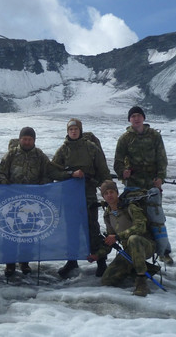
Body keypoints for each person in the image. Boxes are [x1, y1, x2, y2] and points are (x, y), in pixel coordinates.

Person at [49, 118, 111, 278]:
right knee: (71, 229)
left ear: (80, 130)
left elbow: (103, 171)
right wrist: (70, 174)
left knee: (92, 227)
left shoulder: (91, 148)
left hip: (89, 195)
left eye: (76, 129)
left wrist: (99, 185)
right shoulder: (63, 150)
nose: (73, 132)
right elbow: (52, 171)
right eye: (71, 130)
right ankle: (72, 261)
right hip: (70, 196)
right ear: (67, 132)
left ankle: (101, 261)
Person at [114, 106, 173, 265]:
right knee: (136, 218)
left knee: (156, 217)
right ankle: (135, 250)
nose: (136, 118)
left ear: (143, 118)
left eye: (138, 115)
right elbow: (118, 162)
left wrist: (160, 177)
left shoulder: (154, 136)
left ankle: (164, 251)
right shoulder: (125, 139)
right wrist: (122, 172)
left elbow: (162, 159)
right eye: (133, 116)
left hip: (151, 183)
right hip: (133, 185)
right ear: (129, 120)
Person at [0, 126, 51, 277]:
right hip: (12, 201)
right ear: (20, 139)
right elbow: (1, 172)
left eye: (30, 139)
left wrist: (42, 186)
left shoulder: (40, 155)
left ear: (34, 140)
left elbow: (47, 173)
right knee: (10, 232)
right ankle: (9, 263)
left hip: (31, 202)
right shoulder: (11, 154)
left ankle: (25, 262)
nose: (27, 141)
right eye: (24, 139)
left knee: (29, 233)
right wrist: (5, 184)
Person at [98, 180, 159, 296]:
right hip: (129, 251)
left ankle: (141, 281)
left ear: (117, 193)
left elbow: (141, 227)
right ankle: (145, 269)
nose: (109, 195)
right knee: (107, 280)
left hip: (145, 245)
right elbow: (110, 240)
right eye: (106, 193)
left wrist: (118, 236)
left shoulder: (130, 207)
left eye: (111, 192)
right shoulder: (107, 214)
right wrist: (98, 254)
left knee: (134, 239)